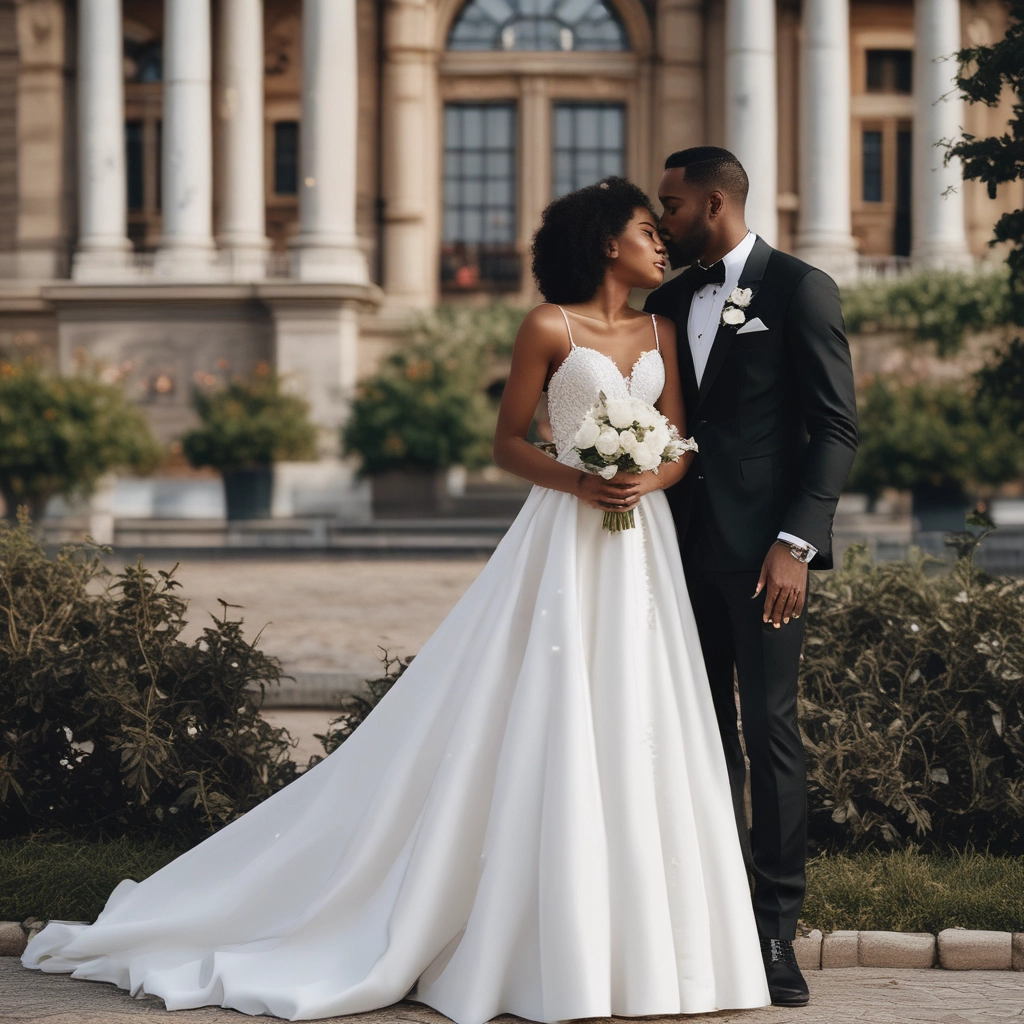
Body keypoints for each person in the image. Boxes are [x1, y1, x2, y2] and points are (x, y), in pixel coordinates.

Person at [23, 178, 769, 1023]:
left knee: (645, 709)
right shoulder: (545, 327)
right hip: (565, 529)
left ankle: (645, 950)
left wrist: (648, 475)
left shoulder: (662, 328)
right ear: (607, 242)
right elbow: (507, 442)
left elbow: (679, 441)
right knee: (547, 703)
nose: (660, 243)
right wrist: (581, 479)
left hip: (644, 546)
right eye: (645, 228)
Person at [644, 147, 859, 1007]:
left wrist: (795, 544)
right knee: (697, 733)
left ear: (716, 203)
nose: (661, 218)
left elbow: (836, 428)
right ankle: (709, 911)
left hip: (768, 560)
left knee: (767, 735)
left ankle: (775, 930)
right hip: (671, 554)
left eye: (672, 203)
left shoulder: (799, 289)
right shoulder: (664, 300)